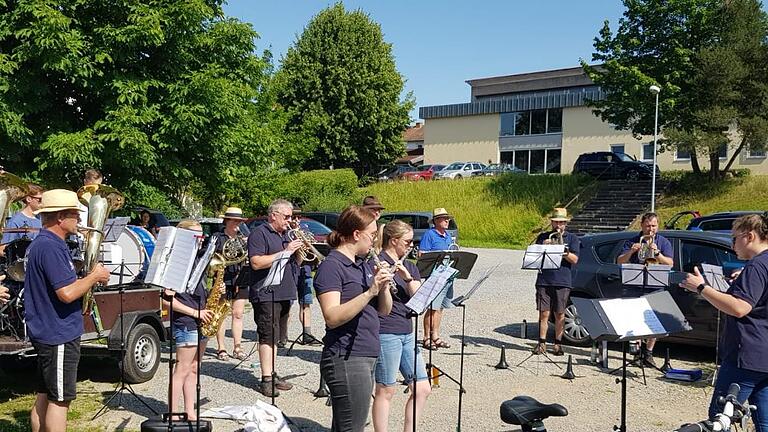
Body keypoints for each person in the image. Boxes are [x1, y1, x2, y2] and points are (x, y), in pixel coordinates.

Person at [24, 189, 110, 432]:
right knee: (60, 400)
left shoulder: (43, 243)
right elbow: (67, 293)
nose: (80, 219)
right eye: (75, 214)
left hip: (48, 331)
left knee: (45, 394)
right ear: (60, 217)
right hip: (58, 334)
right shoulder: (51, 247)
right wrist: (94, 276)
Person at [681, 213, 768, 431]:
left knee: (721, 420)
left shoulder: (757, 266)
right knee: (765, 423)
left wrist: (701, 287)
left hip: (746, 355)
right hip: (764, 356)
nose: (733, 244)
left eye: (734, 238)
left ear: (749, 236)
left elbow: (739, 308)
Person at [315, 205, 393, 432]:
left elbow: (384, 311)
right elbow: (332, 316)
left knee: (347, 425)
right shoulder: (332, 266)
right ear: (356, 234)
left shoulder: (362, 265)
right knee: (353, 427)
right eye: (372, 235)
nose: (374, 241)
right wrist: (369, 291)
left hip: (366, 352)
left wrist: (384, 287)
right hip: (346, 357)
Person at [371, 220, 431, 432]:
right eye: (407, 241)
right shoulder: (378, 262)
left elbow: (420, 300)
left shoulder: (410, 265)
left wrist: (407, 277)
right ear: (394, 240)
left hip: (407, 330)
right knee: (386, 389)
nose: (411, 245)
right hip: (386, 330)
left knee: (422, 387)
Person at [161, 219, 220, 421]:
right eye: (196, 235)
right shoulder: (175, 263)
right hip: (186, 322)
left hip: (201, 319)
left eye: (202, 235)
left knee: (195, 367)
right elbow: (167, 301)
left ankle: (189, 410)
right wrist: (196, 313)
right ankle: (173, 412)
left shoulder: (197, 260)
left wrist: (215, 291)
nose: (200, 240)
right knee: (182, 368)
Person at [247, 199, 301, 396]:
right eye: (286, 217)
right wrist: (285, 252)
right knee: (267, 336)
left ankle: (272, 372)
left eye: (291, 217)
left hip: (285, 291)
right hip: (266, 293)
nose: (290, 220)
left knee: (277, 337)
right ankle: (266, 379)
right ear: (273, 215)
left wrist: (299, 250)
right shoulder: (259, 234)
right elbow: (256, 262)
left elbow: (297, 261)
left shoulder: (286, 234)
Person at [616, 211, 673, 366]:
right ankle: (637, 352)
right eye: (648, 226)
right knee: (636, 320)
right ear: (641, 225)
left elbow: (669, 263)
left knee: (654, 321)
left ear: (658, 226)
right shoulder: (632, 241)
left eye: (654, 226)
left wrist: (658, 253)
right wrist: (632, 251)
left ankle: (648, 352)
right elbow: (619, 261)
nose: (651, 229)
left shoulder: (663, 242)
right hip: (635, 285)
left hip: (654, 285)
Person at [531, 208, 580, 356]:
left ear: (565, 223)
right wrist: (544, 246)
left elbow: (575, 260)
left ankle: (558, 344)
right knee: (543, 313)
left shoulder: (572, 239)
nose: (558, 225)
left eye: (561, 223)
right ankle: (542, 343)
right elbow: (535, 257)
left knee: (559, 313)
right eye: (556, 222)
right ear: (552, 222)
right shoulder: (543, 236)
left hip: (563, 280)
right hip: (544, 280)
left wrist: (564, 252)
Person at [213, 207, 249, 360]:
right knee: (221, 314)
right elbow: (210, 258)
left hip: (240, 278)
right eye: (234, 220)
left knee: (238, 314)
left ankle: (238, 346)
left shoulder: (242, 238)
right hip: (223, 278)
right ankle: (221, 348)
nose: (237, 224)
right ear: (227, 220)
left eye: (239, 221)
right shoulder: (218, 237)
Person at [419, 208, 455, 350]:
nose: (447, 221)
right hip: (435, 275)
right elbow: (422, 254)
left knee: (440, 308)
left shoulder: (447, 235)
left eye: (448, 218)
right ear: (435, 221)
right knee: (432, 307)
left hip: (446, 275)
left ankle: (436, 336)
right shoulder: (430, 234)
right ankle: (427, 337)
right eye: (443, 218)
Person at [0, 183, 44, 256]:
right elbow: (2, 249)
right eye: (40, 199)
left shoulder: (43, 219)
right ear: (29, 199)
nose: (42, 202)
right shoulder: (15, 221)